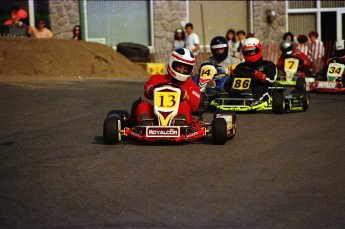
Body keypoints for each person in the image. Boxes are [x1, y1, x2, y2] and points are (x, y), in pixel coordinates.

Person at [136, 48, 201, 126]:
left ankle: (179, 124)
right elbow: (147, 91)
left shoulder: (192, 86)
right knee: (143, 105)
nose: (182, 71)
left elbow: (194, 107)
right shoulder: (157, 78)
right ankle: (146, 124)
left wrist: (186, 97)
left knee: (184, 106)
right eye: (179, 67)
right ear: (171, 63)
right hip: (156, 115)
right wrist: (150, 90)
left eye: (185, 69)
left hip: (178, 116)